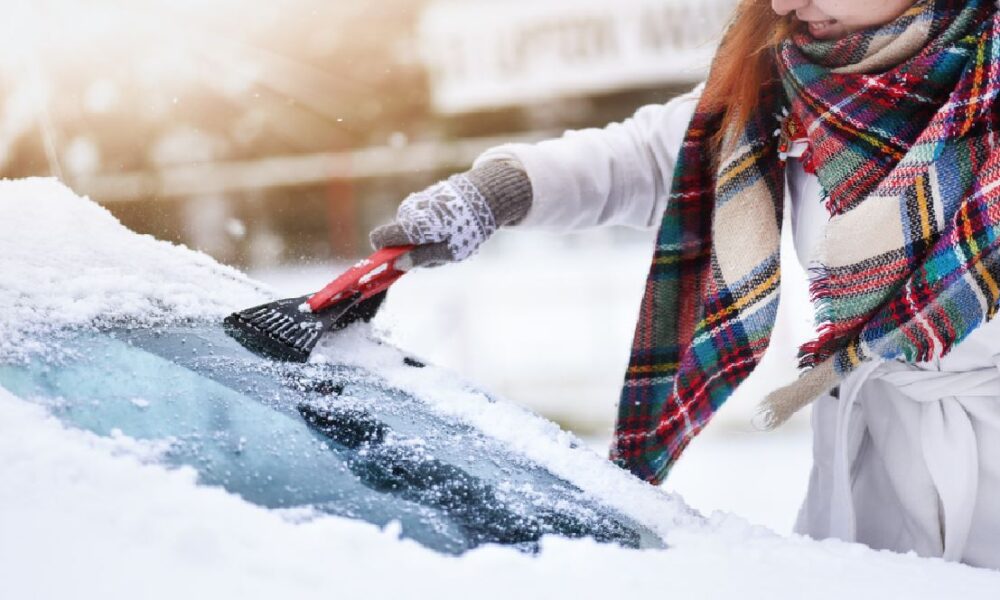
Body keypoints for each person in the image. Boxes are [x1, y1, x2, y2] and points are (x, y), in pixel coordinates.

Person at [370, 0, 1000, 569]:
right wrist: (498, 191)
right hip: (874, 483)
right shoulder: (789, 82)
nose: (785, 4)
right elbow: (646, 156)